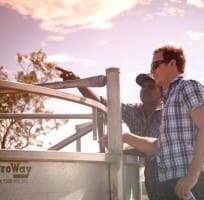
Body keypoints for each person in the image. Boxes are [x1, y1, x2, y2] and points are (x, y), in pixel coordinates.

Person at [102, 45, 204, 200]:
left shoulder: (188, 86)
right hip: (170, 180)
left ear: (172, 64)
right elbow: (158, 146)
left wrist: (192, 176)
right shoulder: (169, 99)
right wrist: (125, 136)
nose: (152, 70)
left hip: (186, 179)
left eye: (155, 65)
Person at [57, 67, 165, 200]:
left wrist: (123, 142)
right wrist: (78, 83)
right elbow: (102, 102)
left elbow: (161, 146)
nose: (145, 89)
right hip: (152, 174)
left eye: (151, 86)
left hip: (173, 170)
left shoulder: (170, 112)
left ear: (162, 92)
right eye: (143, 87)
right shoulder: (133, 111)